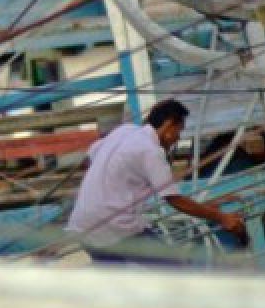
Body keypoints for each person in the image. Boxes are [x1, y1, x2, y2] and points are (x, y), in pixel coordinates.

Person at [66, 98, 247, 253]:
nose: (178, 138)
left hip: (83, 223)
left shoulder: (124, 130)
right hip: (116, 226)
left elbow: (90, 157)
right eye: (179, 130)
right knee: (171, 271)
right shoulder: (151, 150)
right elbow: (174, 200)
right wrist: (222, 217)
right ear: (168, 125)